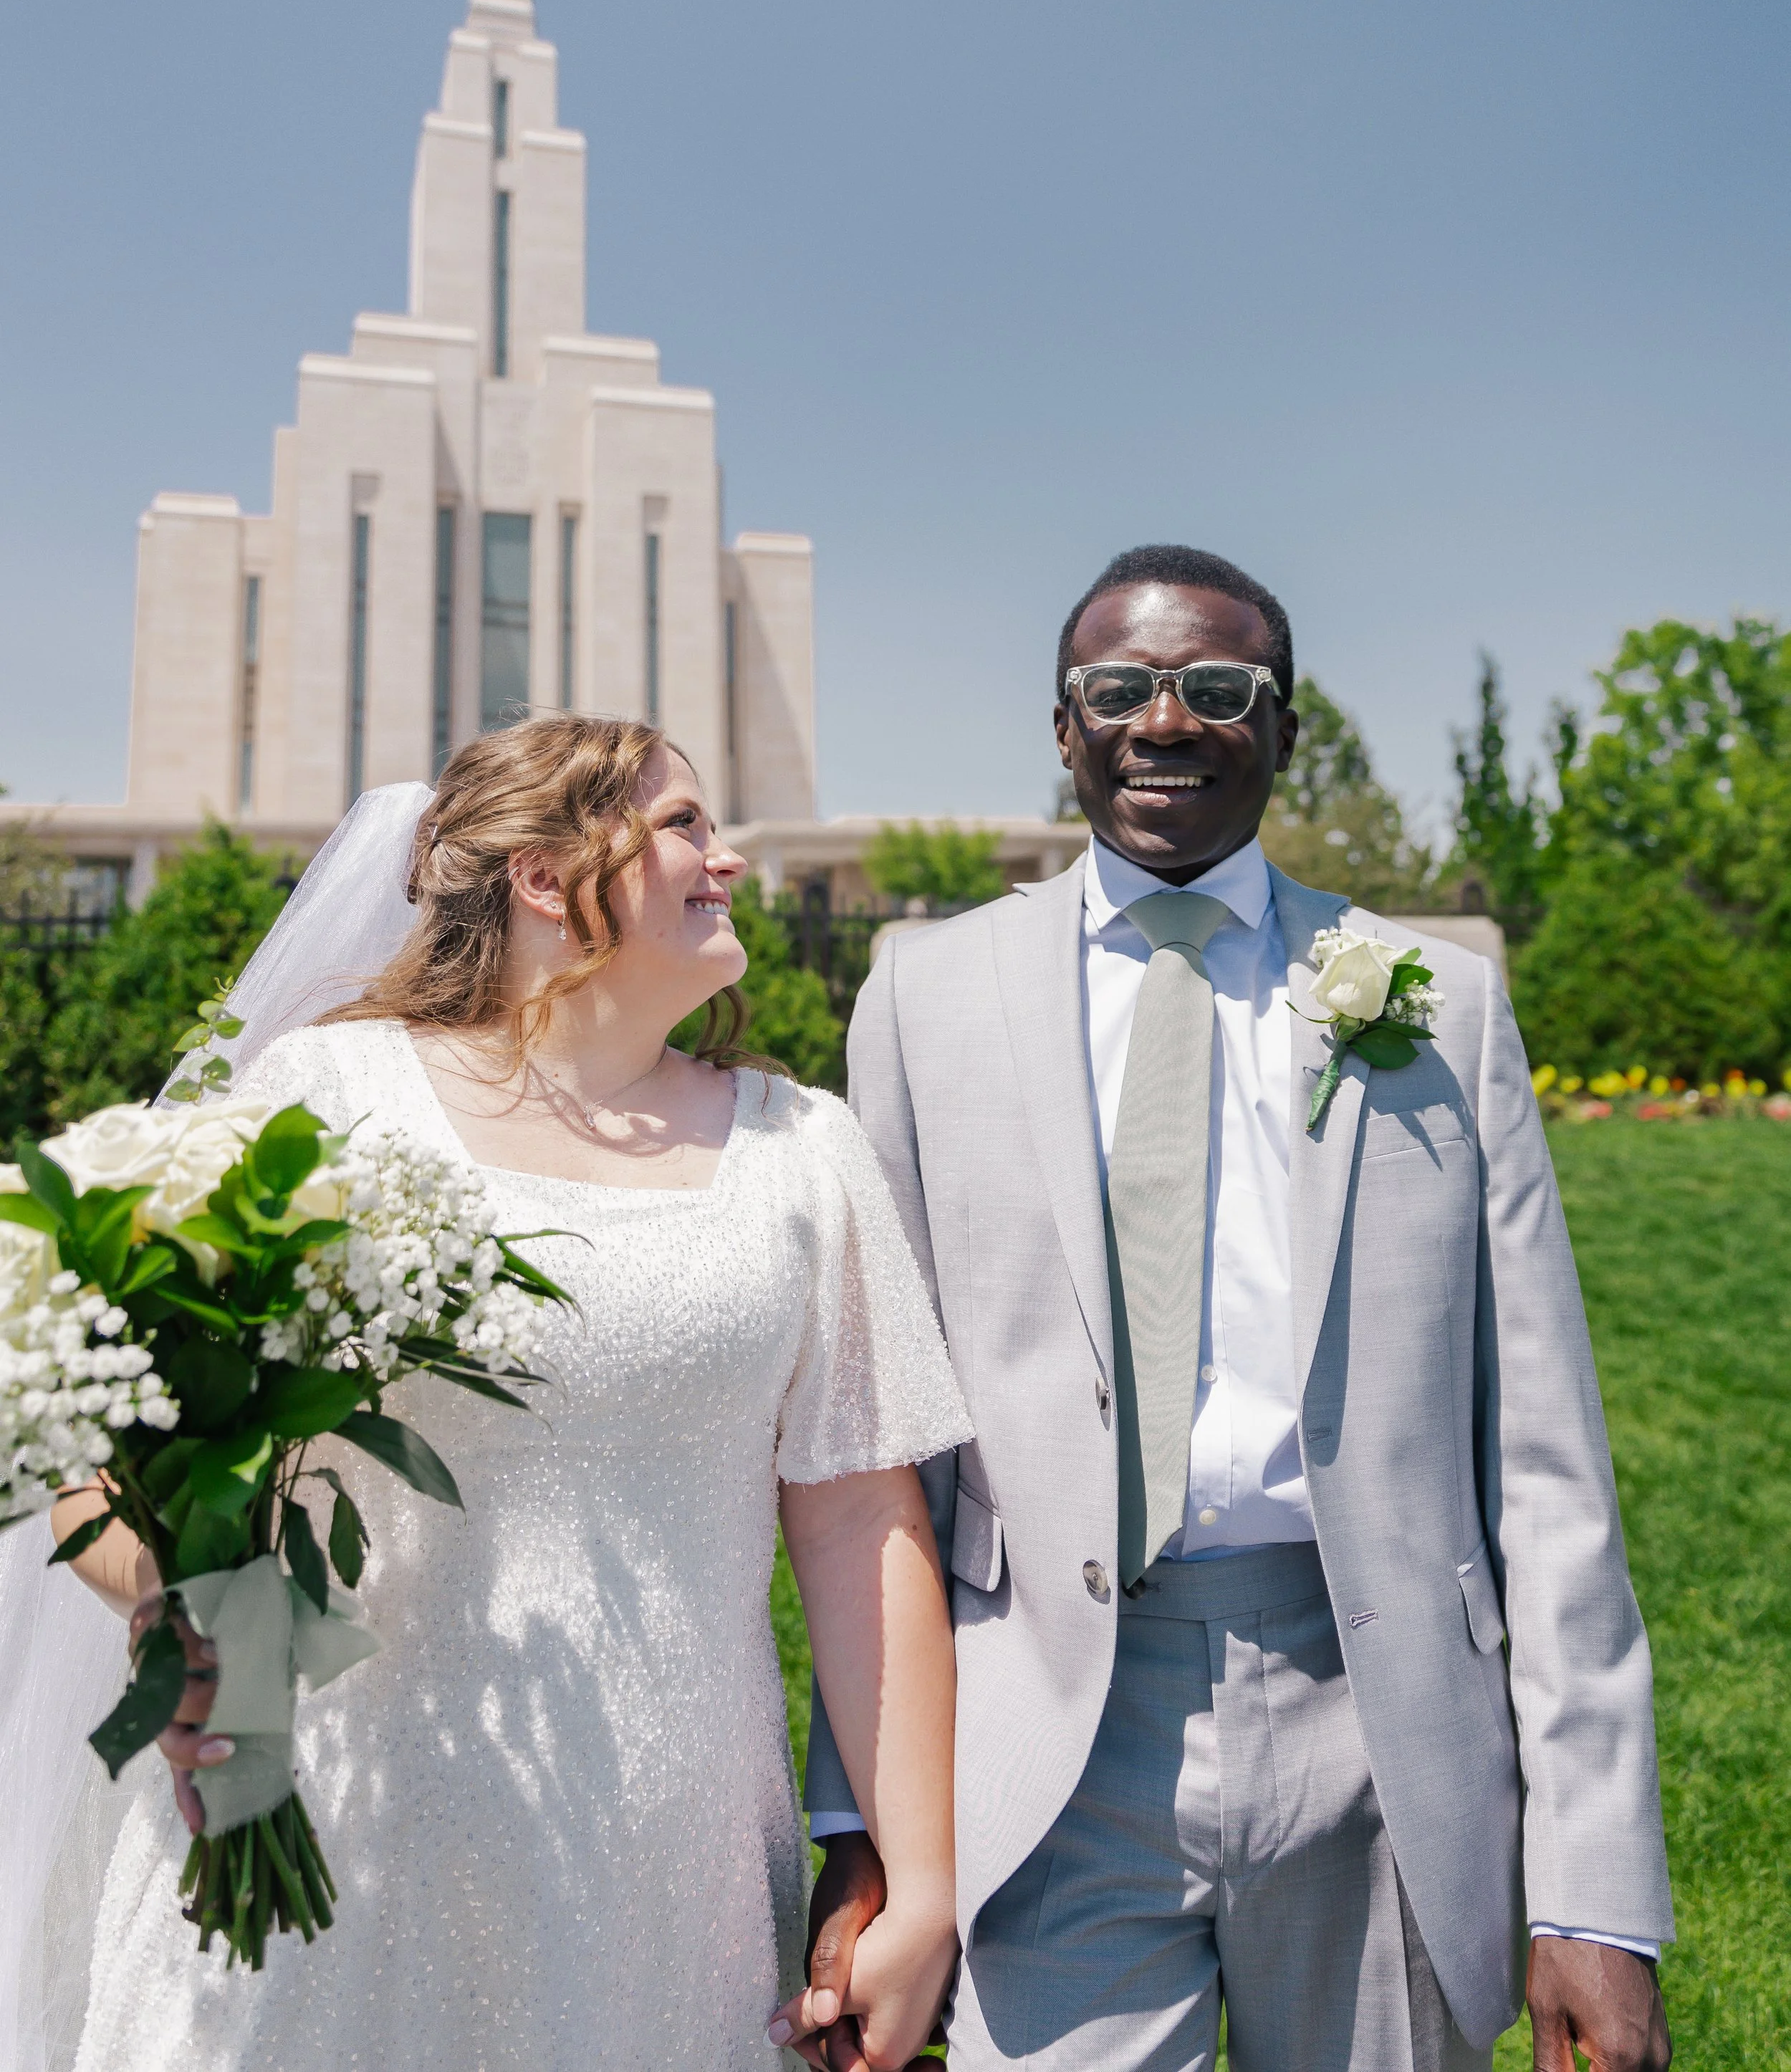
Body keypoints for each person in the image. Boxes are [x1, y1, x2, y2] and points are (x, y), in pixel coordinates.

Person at [782, 547, 1674, 2072]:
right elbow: (884, 1451)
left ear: (1283, 726)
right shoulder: (921, 996)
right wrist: (866, 1827)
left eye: (1215, 689)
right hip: (1043, 1735)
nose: (1164, 722)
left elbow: (1541, 1460)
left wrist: (1593, 1888)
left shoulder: (1430, 1003)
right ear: (1060, 730)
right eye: (1116, 690)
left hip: (1377, 1731)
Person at [48, 714, 969, 2072]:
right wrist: (192, 1623)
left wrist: (924, 1882)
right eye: (684, 826)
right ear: (547, 875)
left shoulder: (805, 1154)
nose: (731, 862)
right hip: (324, 1837)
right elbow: (104, 1453)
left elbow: (860, 1529)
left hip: (664, 1890)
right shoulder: (325, 1099)